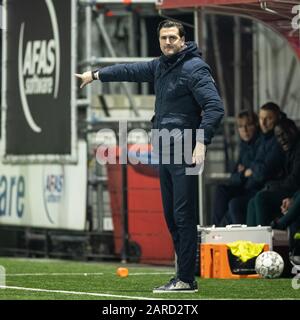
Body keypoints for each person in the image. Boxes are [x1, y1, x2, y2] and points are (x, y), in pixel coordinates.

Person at [76, 20, 224, 293]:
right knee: (171, 216)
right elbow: (129, 70)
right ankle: (183, 275)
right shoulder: (160, 66)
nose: (167, 42)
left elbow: (215, 107)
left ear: (183, 40)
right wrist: (95, 75)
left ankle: (186, 279)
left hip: (185, 149)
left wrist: (202, 141)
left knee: (183, 215)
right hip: (165, 149)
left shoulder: (194, 68)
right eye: (163, 38)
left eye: (172, 38)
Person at [247, 118, 300, 227]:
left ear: (293, 130)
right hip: (291, 190)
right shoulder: (287, 149)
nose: (282, 140)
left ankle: (266, 237)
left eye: (283, 134)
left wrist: (273, 187)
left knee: (261, 198)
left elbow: (294, 180)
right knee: (252, 202)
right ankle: (253, 242)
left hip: (293, 190)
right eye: (278, 137)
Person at [212, 110, 261, 226]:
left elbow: (258, 172)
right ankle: (216, 229)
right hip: (243, 187)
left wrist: (244, 172)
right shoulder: (243, 146)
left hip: (254, 189)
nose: (244, 130)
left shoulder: (260, 143)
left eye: (248, 125)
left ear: (255, 126)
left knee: (233, 205)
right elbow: (233, 176)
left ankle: (220, 232)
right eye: (240, 126)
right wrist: (244, 173)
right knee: (221, 190)